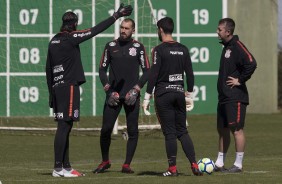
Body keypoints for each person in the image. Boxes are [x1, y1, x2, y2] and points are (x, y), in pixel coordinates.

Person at [45, 4, 133, 177]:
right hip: (69, 86)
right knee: (64, 126)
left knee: (66, 126)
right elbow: (94, 30)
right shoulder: (71, 37)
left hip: (57, 88)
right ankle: (57, 168)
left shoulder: (53, 40)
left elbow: (48, 69)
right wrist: (116, 16)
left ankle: (66, 167)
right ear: (75, 24)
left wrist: (51, 93)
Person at [142, 17, 202, 177]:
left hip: (163, 94)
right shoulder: (183, 49)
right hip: (178, 93)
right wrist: (189, 93)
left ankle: (172, 169)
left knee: (169, 133)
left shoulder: (159, 49)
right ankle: (194, 164)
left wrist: (147, 97)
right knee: (182, 131)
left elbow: (153, 74)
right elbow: (190, 73)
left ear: (160, 30)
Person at [93, 18, 150, 174]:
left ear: (133, 30)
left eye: (127, 28)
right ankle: (105, 161)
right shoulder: (110, 46)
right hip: (114, 95)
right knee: (105, 130)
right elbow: (102, 70)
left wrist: (137, 89)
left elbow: (147, 71)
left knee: (133, 131)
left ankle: (127, 164)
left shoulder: (139, 47)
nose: (123, 30)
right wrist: (108, 90)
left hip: (132, 95)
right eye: (122, 28)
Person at [214, 18, 257, 173]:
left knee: (236, 129)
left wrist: (240, 80)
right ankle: (219, 163)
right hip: (224, 97)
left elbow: (251, 63)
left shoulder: (237, 46)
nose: (217, 32)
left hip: (235, 97)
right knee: (222, 129)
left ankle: (238, 165)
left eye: (219, 29)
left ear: (228, 31)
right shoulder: (226, 47)